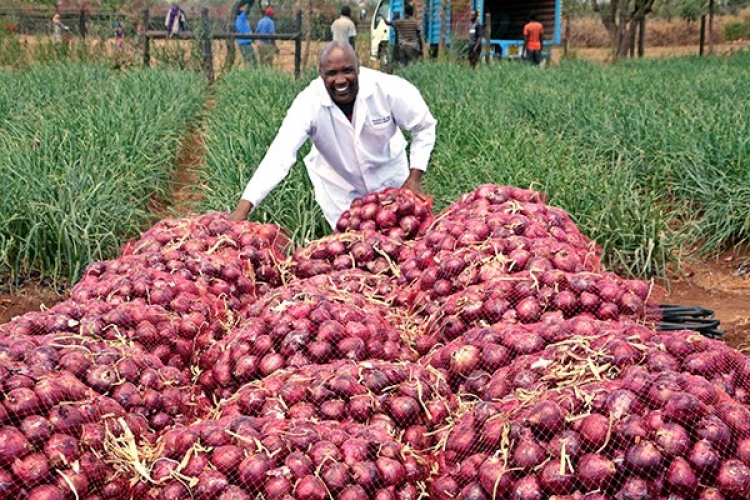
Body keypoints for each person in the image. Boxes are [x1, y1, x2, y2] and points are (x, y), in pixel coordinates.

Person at [228, 41, 437, 228]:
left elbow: (424, 125)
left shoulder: (388, 88)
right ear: (320, 73)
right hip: (341, 189)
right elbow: (280, 154)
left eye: (347, 70)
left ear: (359, 67)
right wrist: (245, 207)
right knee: (354, 250)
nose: (340, 80)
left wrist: (414, 177)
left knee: (402, 244)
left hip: (390, 177)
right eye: (331, 73)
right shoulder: (309, 103)